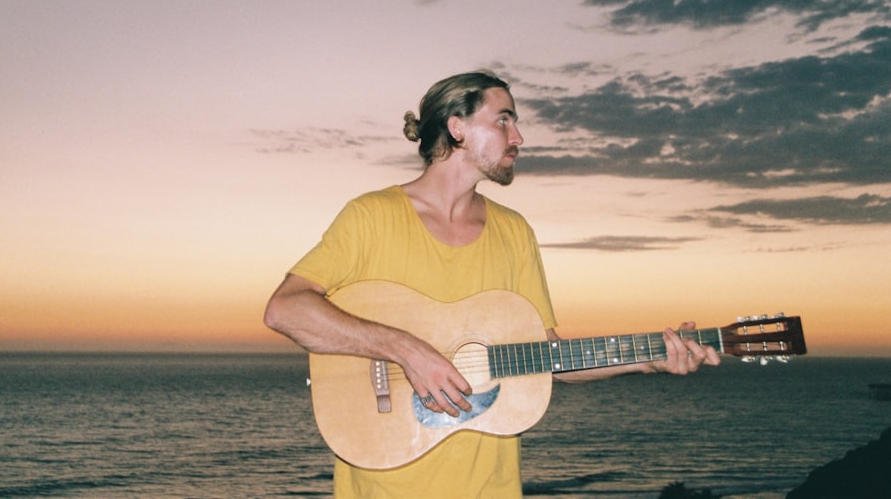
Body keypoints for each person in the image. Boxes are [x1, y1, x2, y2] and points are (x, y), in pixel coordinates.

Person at [263, 70, 720, 498]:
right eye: (504, 120)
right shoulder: (372, 217)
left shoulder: (514, 232)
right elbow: (286, 309)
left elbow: (550, 356)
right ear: (457, 128)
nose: (518, 137)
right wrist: (405, 350)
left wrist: (648, 360)